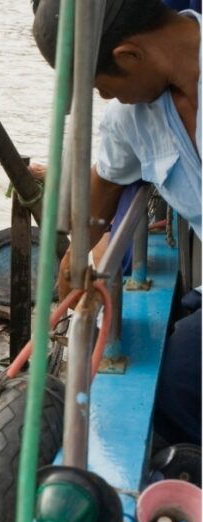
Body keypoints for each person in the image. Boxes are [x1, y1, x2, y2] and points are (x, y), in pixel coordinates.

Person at [33, 0, 201, 444]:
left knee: (180, 373)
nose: (105, 98)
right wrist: (75, 256)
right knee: (175, 371)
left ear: (129, 55)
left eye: (99, 86)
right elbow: (102, 191)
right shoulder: (131, 119)